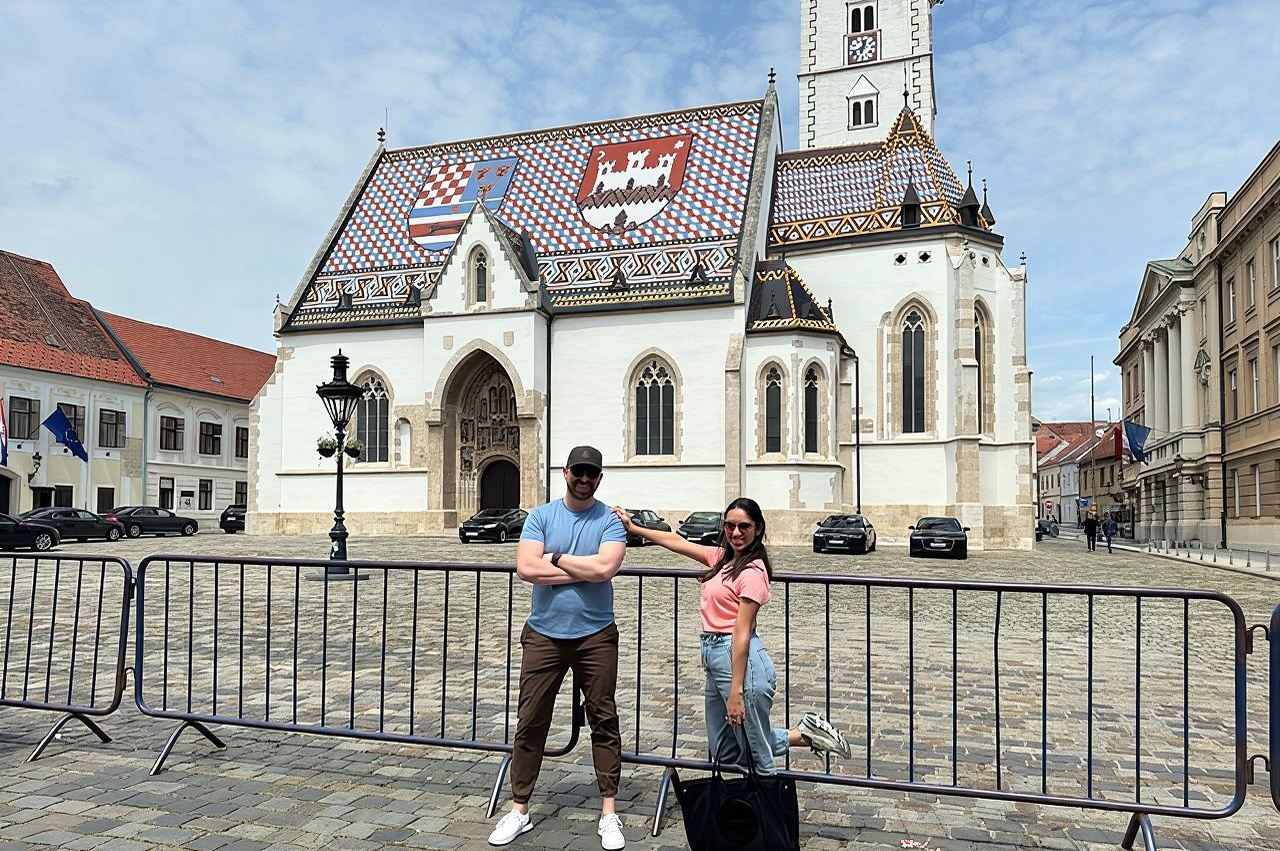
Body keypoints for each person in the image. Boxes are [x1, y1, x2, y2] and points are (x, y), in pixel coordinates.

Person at [612, 498, 849, 775]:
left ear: (758, 529)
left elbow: (742, 634)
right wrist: (635, 528)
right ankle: (804, 734)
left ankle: (768, 813)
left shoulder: (753, 572)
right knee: (726, 748)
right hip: (714, 657)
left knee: (758, 755)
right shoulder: (723, 559)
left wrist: (736, 691)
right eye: (730, 526)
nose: (736, 533)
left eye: (744, 527)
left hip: (739, 661)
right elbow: (677, 542)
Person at [488, 446, 628, 850]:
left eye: (592, 473)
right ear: (565, 472)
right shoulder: (541, 515)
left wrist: (557, 558)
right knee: (530, 721)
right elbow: (527, 569)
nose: (584, 479)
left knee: (603, 718)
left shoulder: (609, 520)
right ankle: (519, 811)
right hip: (544, 634)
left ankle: (609, 813)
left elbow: (605, 569)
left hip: (595, 635)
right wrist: (580, 569)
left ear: (599, 477)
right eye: (578, 472)